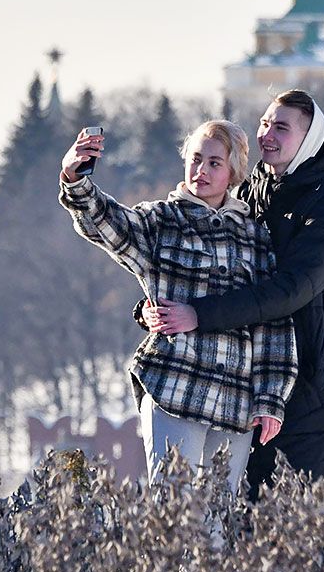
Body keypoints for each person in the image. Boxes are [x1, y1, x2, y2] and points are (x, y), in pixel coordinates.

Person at [59, 119, 296, 493]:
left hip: (233, 403)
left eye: (214, 163)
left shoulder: (255, 237)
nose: (201, 170)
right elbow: (108, 224)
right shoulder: (162, 221)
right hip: (174, 386)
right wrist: (75, 179)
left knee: (218, 525)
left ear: (233, 172)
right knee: (174, 513)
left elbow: (272, 321)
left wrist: (270, 398)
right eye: (196, 158)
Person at [146, 89, 324, 492]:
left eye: (282, 128)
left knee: (307, 520)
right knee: (237, 519)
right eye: (264, 123)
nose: (268, 135)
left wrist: (198, 314)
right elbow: (212, 268)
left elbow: (289, 291)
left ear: (309, 138)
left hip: (312, 384)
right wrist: (156, 306)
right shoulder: (251, 191)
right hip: (247, 380)